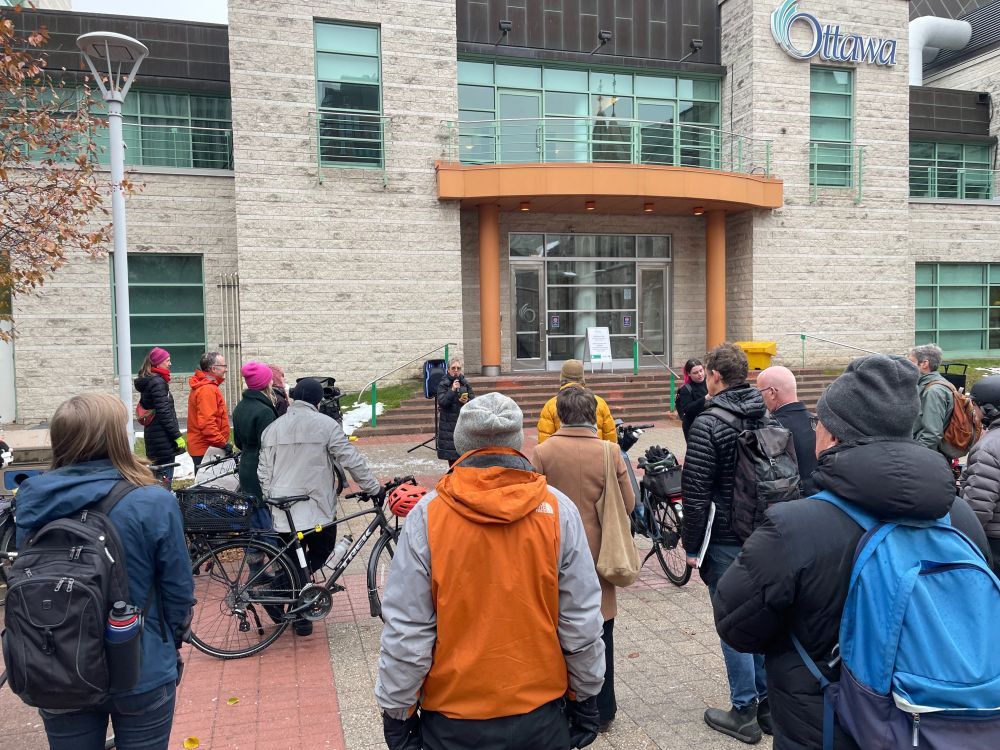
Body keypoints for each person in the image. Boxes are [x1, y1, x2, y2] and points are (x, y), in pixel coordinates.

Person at [712, 355, 991, 750]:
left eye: (819, 424)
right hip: (937, 726)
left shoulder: (794, 526)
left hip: (827, 726)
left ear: (833, 436)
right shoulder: (959, 516)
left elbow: (736, 626)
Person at [376, 392, 606, 750]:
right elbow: (580, 619)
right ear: (517, 442)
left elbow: (409, 628)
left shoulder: (428, 516)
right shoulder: (558, 510)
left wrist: (397, 712)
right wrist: (586, 696)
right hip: (540, 714)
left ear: (462, 443)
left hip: (453, 719)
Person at [14, 393, 195, 750]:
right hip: (140, 661)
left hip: (59, 661)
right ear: (116, 437)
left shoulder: (33, 501)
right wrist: (169, 642)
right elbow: (178, 589)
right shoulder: (152, 500)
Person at [532, 386, 635, 734]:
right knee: (601, 631)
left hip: (554, 552)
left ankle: (564, 705)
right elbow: (628, 503)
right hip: (600, 553)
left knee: (557, 631)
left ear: (559, 414)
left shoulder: (542, 452)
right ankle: (603, 709)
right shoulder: (610, 451)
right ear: (593, 414)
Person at [680, 342, 769, 743]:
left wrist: (691, 547)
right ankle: (769, 705)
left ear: (714, 376)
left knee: (732, 621)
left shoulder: (708, 422)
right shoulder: (765, 412)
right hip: (766, 533)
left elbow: (696, 493)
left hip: (726, 537)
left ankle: (744, 710)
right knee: (763, 615)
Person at [258, 377, 381, 635]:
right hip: (314, 508)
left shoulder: (273, 428)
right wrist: (374, 488)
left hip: (282, 508)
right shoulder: (326, 425)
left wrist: (271, 495)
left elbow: (263, 470)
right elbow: (350, 459)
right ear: (317, 401)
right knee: (320, 552)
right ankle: (279, 596)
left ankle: (294, 610)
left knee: (295, 562)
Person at [756, 365, 817, 496]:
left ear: (772, 392)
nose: (758, 398)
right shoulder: (819, 423)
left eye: (759, 392)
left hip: (790, 501)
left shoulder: (769, 429)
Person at [962, 374, 1000, 572]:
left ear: (988, 409)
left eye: (974, 406)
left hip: (994, 541)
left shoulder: (988, 447)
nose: (973, 411)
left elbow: (978, 507)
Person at [232, 361, 278, 517]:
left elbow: (238, 442)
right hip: (261, 471)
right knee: (264, 519)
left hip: (246, 466)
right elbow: (270, 449)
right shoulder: (264, 411)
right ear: (265, 383)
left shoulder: (240, 407)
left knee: (253, 517)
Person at [133, 347, 184, 483]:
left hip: (154, 438)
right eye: (167, 360)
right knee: (164, 481)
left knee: (156, 479)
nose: (170, 363)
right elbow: (164, 412)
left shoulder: (150, 380)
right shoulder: (157, 382)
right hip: (162, 440)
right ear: (157, 363)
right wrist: (177, 436)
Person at [537, 360, 617, 444]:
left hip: (563, 451)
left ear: (562, 377)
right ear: (582, 378)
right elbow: (610, 435)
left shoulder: (551, 405)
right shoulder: (599, 402)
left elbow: (545, 441)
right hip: (596, 450)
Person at [908, 343, 961, 462]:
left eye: (911, 362)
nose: (907, 366)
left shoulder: (933, 391)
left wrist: (914, 458)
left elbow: (932, 433)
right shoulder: (935, 383)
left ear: (924, 364)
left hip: (927, 458)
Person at [187, 351, 230, 470]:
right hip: (206, 449)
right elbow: (207, 423)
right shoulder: (207, 389)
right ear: (214, 369)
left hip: (206, 447)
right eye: (224, 366)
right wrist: (222, 443)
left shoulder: (206, 386)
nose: (226, 369)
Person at [436, 357, 475, 464]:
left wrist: (466, 401)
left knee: (465, 459)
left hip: (463, 424)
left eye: (458, 368)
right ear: (448, 370)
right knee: (452, 459)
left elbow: (474, 402)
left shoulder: (465, 383)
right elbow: (442, 402)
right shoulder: (443, 384)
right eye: (453, 368)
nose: (456, 370)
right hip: (449, 426)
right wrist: (452, 390)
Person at [675, 358, 709, 439]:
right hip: (693, 426)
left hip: (709, 424)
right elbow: (687, 409)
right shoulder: (686, 389)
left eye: (701, 370)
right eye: (695, 373)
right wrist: (705, 398)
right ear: (689, 374)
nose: (700, 374)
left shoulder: (710, 382)